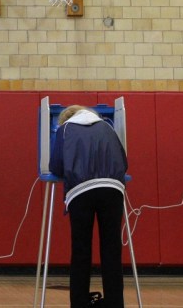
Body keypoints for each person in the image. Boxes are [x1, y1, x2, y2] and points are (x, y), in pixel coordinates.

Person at [49, 105, 128, 308]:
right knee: (112, 250)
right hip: (113, 189)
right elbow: (124, 162)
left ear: (66, 118)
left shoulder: (65, 129)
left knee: (81, 249)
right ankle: (114, 303)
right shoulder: (108, 127)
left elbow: (56, 166)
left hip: (81, 190)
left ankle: (80, 302)